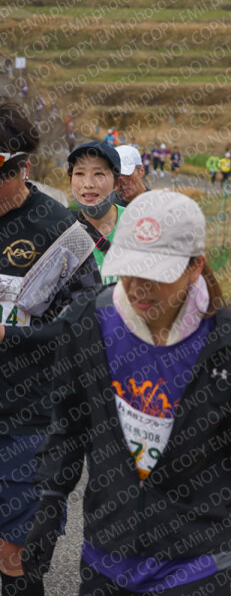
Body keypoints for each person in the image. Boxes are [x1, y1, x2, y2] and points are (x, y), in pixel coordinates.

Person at [22, 190, 231, 595]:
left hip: (197, 556)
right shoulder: (88, 325)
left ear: (195, 266)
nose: (138, 288)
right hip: (108, 552)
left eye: (155, 275)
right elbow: (68, 427)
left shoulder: (228, 344)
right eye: (129, 270)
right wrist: (48, 504)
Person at [0, 101, 100, 596]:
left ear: (20, 167)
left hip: (32, 419)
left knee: (15, 556)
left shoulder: (61, 232)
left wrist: (11, 338)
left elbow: (85, 328)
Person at [68, 141, 126, 286]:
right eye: (79, 174)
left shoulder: (138, 225)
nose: (88, 184)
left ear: (117, 183)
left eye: (99, 174)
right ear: (70, 180)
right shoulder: (61, 231)